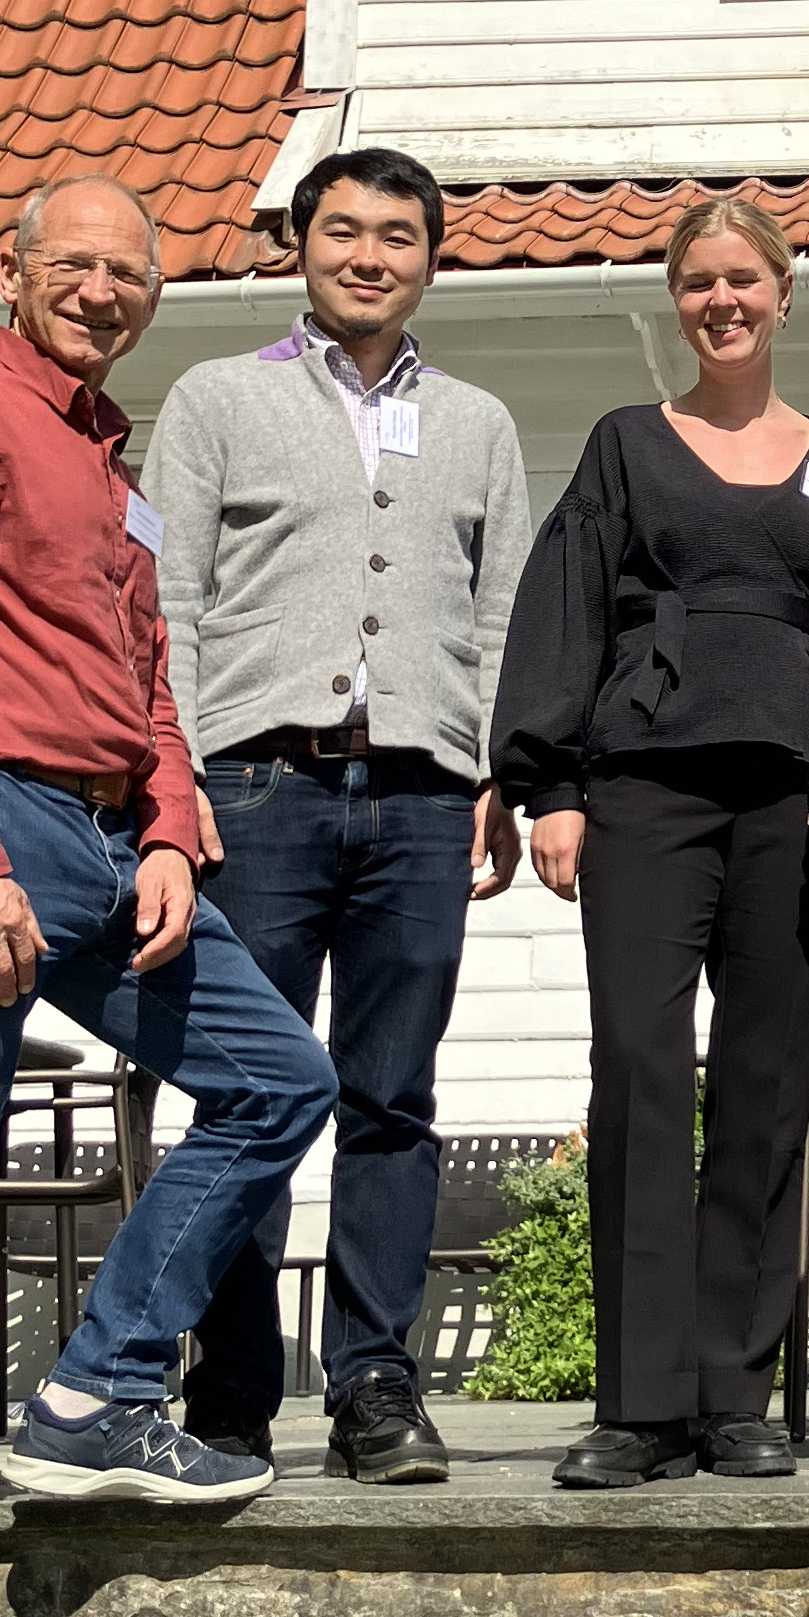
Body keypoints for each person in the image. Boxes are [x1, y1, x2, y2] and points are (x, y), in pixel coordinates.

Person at [0, 174, 341, 1617]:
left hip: (110, 840)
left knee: (277, 1078)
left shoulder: (111, 458)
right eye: (79, 266)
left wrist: (174, 825)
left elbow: (148, 665)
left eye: (131, 275)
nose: (104, 292)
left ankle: (99, 1389)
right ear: (17, 269)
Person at [145, 143, 531, 1486]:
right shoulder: (213, 400)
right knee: (248, 1090)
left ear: (432, 258)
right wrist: (174, 778)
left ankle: (375, 1389)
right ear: (300, 247)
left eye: (399, 237)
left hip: (423, 795)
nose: (371, 256)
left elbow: (499, 616)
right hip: (257, 784)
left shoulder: (478, 421)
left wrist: (494, 774)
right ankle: (234, 1390)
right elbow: (170, 606)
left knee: (392, 1100)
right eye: (346, 231)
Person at [491, 197, 809, 1488]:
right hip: (642, 789)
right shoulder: (628, 446)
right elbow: (568, 607)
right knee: (640, 1075)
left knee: (764, 1088)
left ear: (784, 292)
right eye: (699, 282)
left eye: (744, 279)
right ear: (676, 300)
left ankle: (734, 1393)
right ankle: (641, 1407)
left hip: (792, 802)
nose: (723, 301)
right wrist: (554, 786)